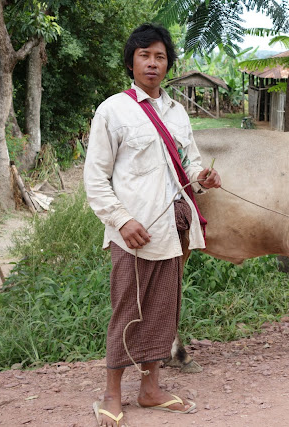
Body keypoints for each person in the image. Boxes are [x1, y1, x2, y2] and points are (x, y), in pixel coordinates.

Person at [84, 23, 221, 427]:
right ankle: (111, 394)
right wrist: (122, 220)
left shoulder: (177, 112)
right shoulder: (113, 110)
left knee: (163, 308)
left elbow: (189, 163)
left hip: (172, 227)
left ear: (168, 65)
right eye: (144, 55)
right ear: (131, 61)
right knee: (128, 308)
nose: (152, 63)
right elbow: (95, 178)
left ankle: (150, 389)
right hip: (133, 233)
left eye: (160, 56)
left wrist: (203, 177)